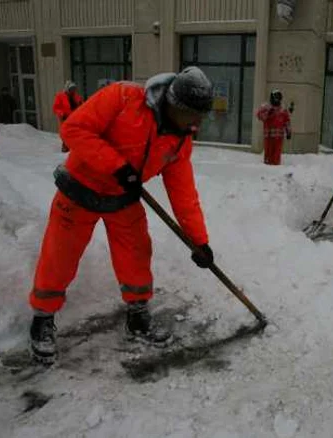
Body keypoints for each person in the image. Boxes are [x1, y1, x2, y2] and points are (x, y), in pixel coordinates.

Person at [29, 67, 216, 363]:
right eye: (193, 115)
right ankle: (42, 319)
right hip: (79, 189)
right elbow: (74, 128)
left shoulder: (180, 140)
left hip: (123, 196)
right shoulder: (124, 97)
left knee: (137, 252)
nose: (197, 123)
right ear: (174, 104)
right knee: (60, 255)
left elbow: (183, 193)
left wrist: (199, 242)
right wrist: (116, 166)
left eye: (201, 117)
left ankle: (138, 315)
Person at [256, 90, 292, 165]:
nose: (276, 100)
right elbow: (259, 116)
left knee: (277, 154)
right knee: (268, 154)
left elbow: (287, 121)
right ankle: (267, 167)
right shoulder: (266, 107)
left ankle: (276, 167)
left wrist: (288, 132)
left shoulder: (283, 110)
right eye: (275, 97)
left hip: (278, 136)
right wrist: (268, 113)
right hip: (268, 135)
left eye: (278, 98)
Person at [52, 81, 84, 152]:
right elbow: (55, 108)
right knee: (66, 132)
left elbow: (82, 105)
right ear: (67, 89)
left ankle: (74, 145)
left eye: (74, 89)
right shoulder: (60, 96)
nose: (73, 91)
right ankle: (65, 145)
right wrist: (61, 114)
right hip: (65, 118)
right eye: (71, 89)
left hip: (75, 118)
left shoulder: (77, 96)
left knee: (76, 132)